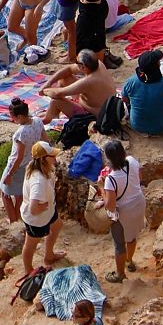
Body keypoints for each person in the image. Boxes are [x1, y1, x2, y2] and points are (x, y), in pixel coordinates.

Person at [97, 140, 144, 283]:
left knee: (119, 243)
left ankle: (120, 274)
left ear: (109, 158)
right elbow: (140, 179)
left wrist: (101, 188)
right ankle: (129, 261)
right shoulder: (132, 161)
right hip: (138, 203)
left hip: (123, 211)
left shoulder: (111, 179)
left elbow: (110, 206)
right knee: (132, 236)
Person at [20, 141, 64, 273]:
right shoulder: (38, 181)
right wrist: (41, 207)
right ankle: (29, 271)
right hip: (37, 219)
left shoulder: (38, 167)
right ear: (44, 159)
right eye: (52, 156)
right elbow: (33, 209)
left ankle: (49, 256)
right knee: (30, 245)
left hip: (48, 212)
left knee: (57, 225)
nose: (55, 157)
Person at [40, 49, 117, 121]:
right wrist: (48, 83)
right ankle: (54, 113)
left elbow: (57, 94)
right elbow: (69, 69)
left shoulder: (89, 81)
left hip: (95, 116)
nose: (75, 64)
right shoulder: (98, 64)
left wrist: (44, 90)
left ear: (83, 67)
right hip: (96, 103)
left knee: (55, 101)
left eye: (77, 62)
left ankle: (47, 120)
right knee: (63, 79)